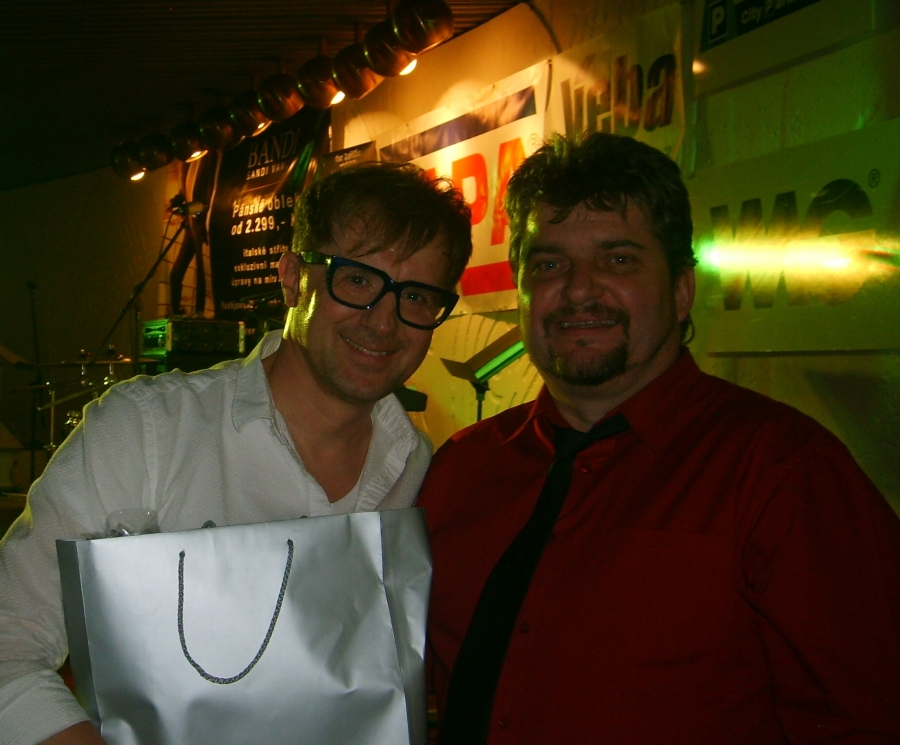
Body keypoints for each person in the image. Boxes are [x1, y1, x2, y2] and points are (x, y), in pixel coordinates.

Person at [419, 132, 900, 744]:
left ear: (681, 290)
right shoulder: (461, 472)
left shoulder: (784, 474)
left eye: (618, 260)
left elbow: (866, 720)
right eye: (549, 264)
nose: (579, 289)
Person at [0, 161, 473, 745]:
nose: (383, 321)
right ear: (293, 278)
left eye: (417, 296)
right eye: (356, 280)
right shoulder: (147, 431)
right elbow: (8, 644)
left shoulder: (421, 468)